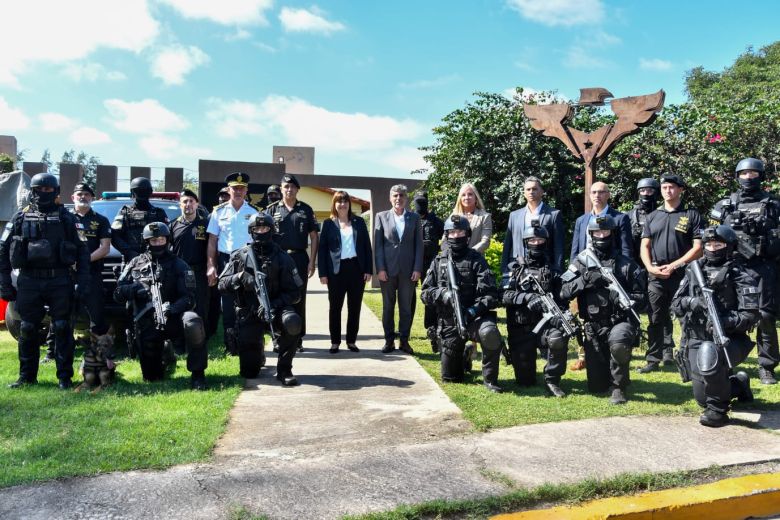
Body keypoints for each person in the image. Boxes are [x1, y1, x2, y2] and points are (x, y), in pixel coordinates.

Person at [0, 173, 90, 389]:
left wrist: (83, 281)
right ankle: (26, 377)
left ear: (56, 191)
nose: (44, 193)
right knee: (28, 328)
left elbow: (83, 251)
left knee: (62, 327)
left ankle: (64, 378)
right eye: (39, 189)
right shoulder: (20, 217)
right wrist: (4, 281)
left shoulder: (68, 218)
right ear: (33, 190)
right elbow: (3, 249)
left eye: (48, 190)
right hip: (29, 280)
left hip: (59, 280)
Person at [671, 225, 760, 427]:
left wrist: (724, 321)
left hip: (729, 340)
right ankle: (738, 384)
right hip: (696, 336)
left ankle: (718, 412)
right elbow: (675, 304)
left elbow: (751, 315)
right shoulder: (693, 270)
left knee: (709, 356)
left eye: (718, 244)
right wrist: (693, 303)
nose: (712, 248)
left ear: (728, 246)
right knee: (702, 398)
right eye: (709, 244)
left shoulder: (741, 274)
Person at [561, 216, 647, 404]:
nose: (601, 236)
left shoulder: (626, 264)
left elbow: (642, 299)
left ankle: (619, 387)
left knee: (618, 343)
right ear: (591, 235)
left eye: (605, 232)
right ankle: (610, 377)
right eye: (597, 233)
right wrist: (584, 280)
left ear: (612, 233)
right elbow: (563, 291)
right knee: (596, 387)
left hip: (620, 321)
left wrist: (625, 299)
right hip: (593, 325)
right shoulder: (581, 261)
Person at [710, 158, 780, 385]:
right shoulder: (725, 205)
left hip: (763, 266)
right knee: (725, 313)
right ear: (737, 176)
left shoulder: (773, 204)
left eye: (753, 173)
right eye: (744, 173)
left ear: (761, 176)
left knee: (766, 316)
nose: (748, 177)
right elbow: (709, 234)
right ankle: (723, 360)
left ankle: (767, 366)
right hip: (733, 267)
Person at [115, 222, 208, 390]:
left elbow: (190, 298)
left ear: (167, 240)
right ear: (147, 242)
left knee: (193, 321)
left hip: (174, 318)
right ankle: (166, 354)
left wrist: (172, 308)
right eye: (154, 240)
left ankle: (198, 375)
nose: (158, 243)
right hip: (146, 322)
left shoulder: (180, 265)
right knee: (152, 378)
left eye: (161, 239)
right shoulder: (134, 263)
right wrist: (135, 290)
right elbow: (118, 293)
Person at [218, 213, 303, 386]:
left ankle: (284, 369)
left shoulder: (283, 258)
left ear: (271, 230)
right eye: (257, 229)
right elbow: (221, 284)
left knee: (293, 322)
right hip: (249, 312)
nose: (261, 232)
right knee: (250, 373)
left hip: (276, 309)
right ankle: (258, 352)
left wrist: (274, 304)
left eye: (264, 228)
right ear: (251, 231)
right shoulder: (240, 256)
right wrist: (239, 277)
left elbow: (295, 293)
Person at [421, 215, 503, 392]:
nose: (456, 236)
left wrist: (473, 310)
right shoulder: (439, 261)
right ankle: (465, 356)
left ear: (467, 234)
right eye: (452, 232)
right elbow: (424, 293)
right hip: (449, 322)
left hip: (475, 318)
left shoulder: (476, 260)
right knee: (451, 379)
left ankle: (490, 380)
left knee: (490, 333)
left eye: (460, 232)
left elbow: (491, 295)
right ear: (446, 235)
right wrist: (443, 294)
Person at [638, 174, 703, 373]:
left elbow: (698, 247)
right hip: (656, 275)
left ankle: (689, 357)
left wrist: (674, 265)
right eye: (665, 187)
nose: (668, 191)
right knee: (656, 318)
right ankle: (653, 359)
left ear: (681, 190)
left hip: (683, 276)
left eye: (672, 187)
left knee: (687, 318)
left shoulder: (691, 214)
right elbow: (644, 246)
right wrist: (650, 268)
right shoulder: (652, 216)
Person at [568, 181, 633, 371]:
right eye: (594, 192)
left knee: (607, 314)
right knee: (583, 315)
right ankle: (584, 355)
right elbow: (575, 250)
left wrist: (624, 274)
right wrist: (573, 272)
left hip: (609, 273)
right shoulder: (582, 220)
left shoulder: (620, 218)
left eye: (601, 192)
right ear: (589, 195)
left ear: (608, 195)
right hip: (585, 273)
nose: (597, 195)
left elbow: (626, 249)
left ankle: (611, 352)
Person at [501, 223, 569, 397]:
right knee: (525, 381)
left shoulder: (553, 270)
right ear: (526, 242)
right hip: (521, 327)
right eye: (532, 240)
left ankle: (552, 379)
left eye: (540, 240)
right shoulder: (514, 268)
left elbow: (562, 300)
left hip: (545, 327)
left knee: (558, 338)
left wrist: (561, 316)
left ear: (546, 242)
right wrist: (527, 298)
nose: (536, 243)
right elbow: (502, 295)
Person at [206, 172, 260, 354]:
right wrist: (210, 265)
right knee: (227, 304)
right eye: (234, 188)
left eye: (241, 188)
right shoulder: (218, 211)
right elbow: (212, 241)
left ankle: (248, 341)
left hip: (247, 261)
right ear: (228, 190)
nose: (238, 191)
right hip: (225, 261)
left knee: (248, 303)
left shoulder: (253, 212)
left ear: (246, 190)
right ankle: (230, 345)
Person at [265, 174, 319, 352]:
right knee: (276, 297)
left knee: (298, 298)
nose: (289, 189)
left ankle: (297, 339)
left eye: (292, 187)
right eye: (285, 186)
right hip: (277, 260)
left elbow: (313, 235)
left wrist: (312, 262)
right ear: (281, 189)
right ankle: (277, 337)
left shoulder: (306, 209)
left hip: (299, 259)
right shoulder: (271, 210)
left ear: (297, 189)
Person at [318, 191, 373, 353]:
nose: (342, 204)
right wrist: (323, 273)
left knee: (354, 307)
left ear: (349, 204)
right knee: (335, 307)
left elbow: (367, 248)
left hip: (356, 270)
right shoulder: (328, 224)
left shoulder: (359, 222)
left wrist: (368, 269)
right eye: (339, 201)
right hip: (336, 272)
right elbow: (322, 250)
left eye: (345, 201)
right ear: (334, 204)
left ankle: (351, 341)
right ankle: (335, 342)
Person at [374, 184, 424, 354]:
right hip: (387, 270)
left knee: (405, 308)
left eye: (401, 195)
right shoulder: (380, 216)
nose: (398, 198)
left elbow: (419, 246)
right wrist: (380, 268)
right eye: (395, 195)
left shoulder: (415, 218)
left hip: (408, 271)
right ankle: (389, 341)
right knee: (388, 307)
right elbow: (378, 245)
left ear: (406, 198)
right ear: (390, 198)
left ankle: (404, 341)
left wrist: (418, 268)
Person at [501, 176, 564, 274]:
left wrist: (558, 270)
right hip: (518, 267)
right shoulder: (514, 215)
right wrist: (504, 270)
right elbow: (508, 245)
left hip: (544, 269)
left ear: (542, 191)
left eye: (534, 189)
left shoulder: (554, 214)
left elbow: (558, 246)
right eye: (528, 189)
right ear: (524, 193)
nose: (531, 192)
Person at [170, 189, 210, 323]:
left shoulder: (206, 225)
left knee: (200, 307)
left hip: (199, 273)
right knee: (179, 305)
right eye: (185, 201)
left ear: (197, 204)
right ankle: (180, 338)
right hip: (179, 274)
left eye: (191, 201)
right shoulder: (172, 225)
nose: (188, 204)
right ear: (180, 205)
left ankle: (200, 339)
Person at [412, 191, 444, 351]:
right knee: (409, 297)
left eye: (422, 201)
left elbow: (443, 238)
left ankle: (432, 327)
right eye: (417, 201)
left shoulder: (436, 221)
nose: (420, 204)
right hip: (412, 263)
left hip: (431, 264)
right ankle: (405, 330)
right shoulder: (410, 219)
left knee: (431, 296)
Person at [111, 177, 169, 263]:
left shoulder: (158, 213)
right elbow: (114, 236)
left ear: (150, 192)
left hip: (155, 260)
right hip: (132, 261)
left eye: (145, 191)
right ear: (132, 192)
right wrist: (129, 252)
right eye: (138, 191)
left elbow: (167, 236)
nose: (142, 194)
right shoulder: (124, 212)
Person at [205, 186, 231, 338]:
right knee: (215, 297)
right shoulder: (213, 215)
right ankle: (213, 329)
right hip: (217, 260)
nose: (222, 198)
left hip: (232, 258)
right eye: (220, 196)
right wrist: (211, 263)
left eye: (225, 195)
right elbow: (210, 242)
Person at [628, 178, 661, 261]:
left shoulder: (662, 214)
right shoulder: (629, 215)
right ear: (639, 193)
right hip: (634, 261)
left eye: (650, 191)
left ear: (656, 193)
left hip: (657, 260)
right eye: (642, 190)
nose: (646, 193)